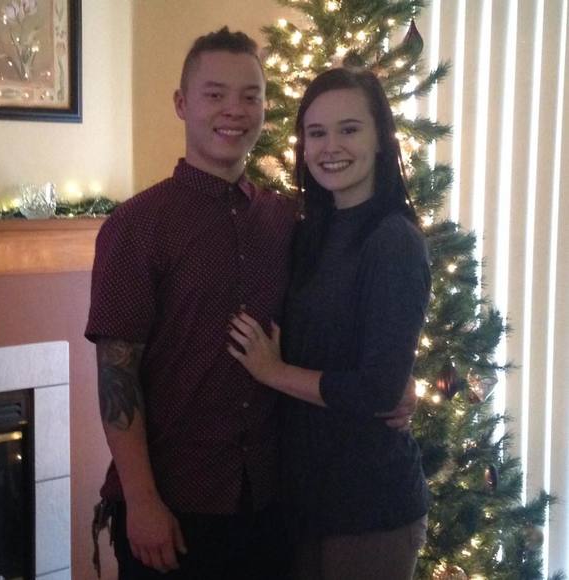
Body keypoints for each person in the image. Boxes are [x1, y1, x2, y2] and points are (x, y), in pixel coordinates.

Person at [86, 28, 415, 580]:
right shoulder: (136, 226)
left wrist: (394, 382)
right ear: (182, 103)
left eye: (250, 96)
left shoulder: (288, 220)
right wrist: (141, 501)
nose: (234, 110)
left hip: (269, 508)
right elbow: (116, 376)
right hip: (173, 507)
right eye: (215, 94)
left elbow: (338, 319)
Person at [228, 66, 430, 580]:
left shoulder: (393, 240)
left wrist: (273, 373)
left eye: (349, 129)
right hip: (305, 503)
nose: (330, 147)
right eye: (316, 133)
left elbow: (377, 390)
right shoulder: (310, 231)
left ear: (381, 138)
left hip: (370, 508)